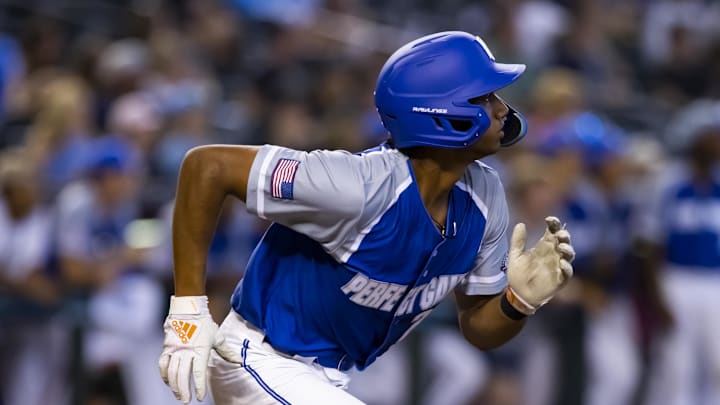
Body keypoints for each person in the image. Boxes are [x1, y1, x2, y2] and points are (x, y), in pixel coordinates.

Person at [158, 31, 576, 404]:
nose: (502, 108)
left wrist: (518, 302)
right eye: (485, 97)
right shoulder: (355, 186)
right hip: (259, 358)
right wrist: (188, 313)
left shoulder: (486, 196)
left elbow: (479, 327)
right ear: (439, 113)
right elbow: (206, 166)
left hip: (327, 378)